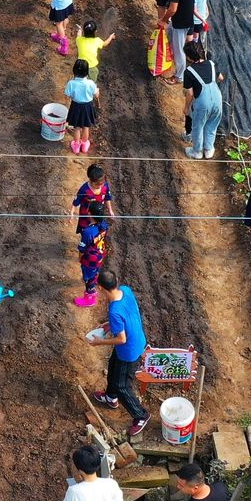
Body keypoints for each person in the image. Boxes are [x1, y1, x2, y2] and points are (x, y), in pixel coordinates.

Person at [86, 271, 149, 435]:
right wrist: (110, 325)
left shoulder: (114, 310)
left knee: (122, 385)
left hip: (129, 350)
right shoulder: (126, 291)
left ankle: (141, 415)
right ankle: (110, 397)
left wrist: (100, 342)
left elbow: (121, 339)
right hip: (137, 340)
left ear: (100, 287)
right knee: (113, 366)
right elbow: (129, 314)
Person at [180, 39, 224, 160]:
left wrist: (186, 108)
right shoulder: (211, 63)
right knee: (212, 125)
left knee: (198, 126)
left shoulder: (189, 71)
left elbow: (189, 93)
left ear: (189, 57)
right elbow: (221, 78)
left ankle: (197, 151)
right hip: (217, 99)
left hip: (203, 103)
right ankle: (209, 150)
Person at [163, 0, 197, 86]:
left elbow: (172, 9)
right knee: (170, 39)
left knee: (179, 51)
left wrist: (163, 20)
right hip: (186, 19)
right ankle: (168, 61)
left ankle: (179, 76)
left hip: (180, 22)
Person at [72, 218, 109, 310]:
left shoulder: (88, 231)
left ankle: (90, 297)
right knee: (95, 271)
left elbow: (82, 249)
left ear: (90, 213)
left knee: (88, 278)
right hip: (99, 254)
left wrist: (80, 257)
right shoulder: (103, 225)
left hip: (90, 259)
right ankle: (93, 284)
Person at [64, 58, 99, 156]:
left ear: (74, 70)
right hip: (87, 107)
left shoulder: (71, 83)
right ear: (87, 72)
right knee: (86, 127)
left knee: (77, 127)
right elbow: (96, 95)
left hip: (76, 106)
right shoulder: (90, 83)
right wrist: (97, 91)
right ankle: (84, 145)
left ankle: (76, 146)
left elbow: (67, 95)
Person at [71, 162, 113, 238]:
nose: (100, 186)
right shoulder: (84, 189)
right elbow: (75, 203)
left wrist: (110, 211)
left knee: (99, 230)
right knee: (86, 233)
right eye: (97, 184)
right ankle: (85, 245)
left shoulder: (105, 186)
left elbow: (107, 198)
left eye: (102, 184)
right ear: (90, 180)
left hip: (99, 213)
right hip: (86, 216)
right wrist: (71, 215)